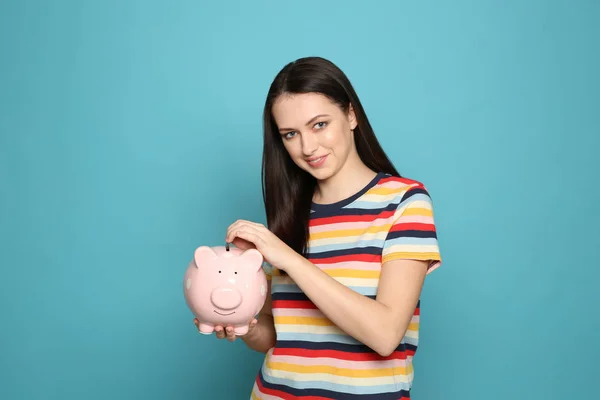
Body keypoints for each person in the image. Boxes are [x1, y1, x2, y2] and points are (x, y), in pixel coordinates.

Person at [194, 56, 442, 399]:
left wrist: (290, 259)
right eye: (291, 134)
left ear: (351, 115)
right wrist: (241, 325)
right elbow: (276, 336)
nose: (307, 148)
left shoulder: (404, 202)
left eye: (320, 124)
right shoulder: (289, 214)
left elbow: (385, 335)